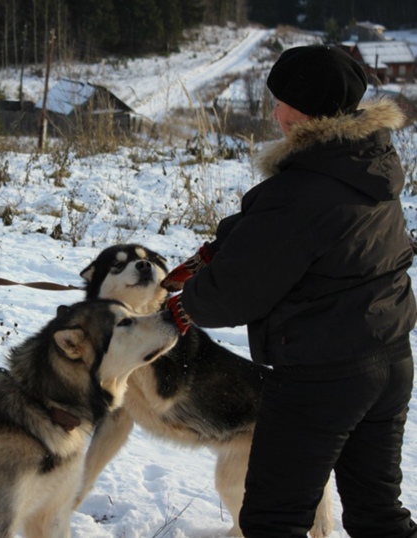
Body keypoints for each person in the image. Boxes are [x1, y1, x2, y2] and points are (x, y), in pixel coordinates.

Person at [161, 45, 417, 538]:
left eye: (280, 101)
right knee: (377, 512)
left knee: (273, 520)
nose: (274, 113)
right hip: (390, 360)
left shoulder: (297, 192)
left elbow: (228, 297)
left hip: (321, 378)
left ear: (305, 111)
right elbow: (319, 233)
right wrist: (240, 234)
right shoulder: (367, 163)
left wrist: (182, 302)